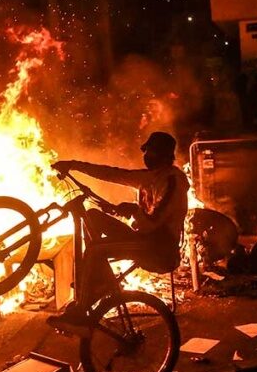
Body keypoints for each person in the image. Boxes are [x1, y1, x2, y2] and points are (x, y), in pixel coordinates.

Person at [49, 131, 190, 326]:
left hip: (158, 248)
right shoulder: (149, 177)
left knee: (96, 249)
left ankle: (84, 303)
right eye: (147, 151)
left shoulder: (173, 182)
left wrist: (132, 210)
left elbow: (151, 223)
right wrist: (73, 165)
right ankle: (96, 283)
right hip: (142, 239)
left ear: (166, 156)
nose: (147, 156)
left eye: (153, 152)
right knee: (93, 217)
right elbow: (111, 173)